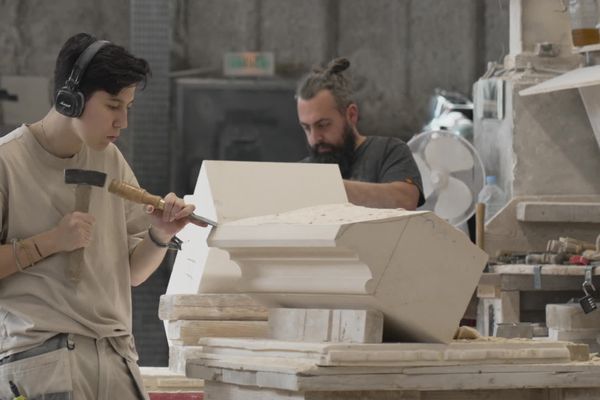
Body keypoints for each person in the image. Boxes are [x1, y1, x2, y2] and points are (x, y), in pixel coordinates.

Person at [0, 33, 202, 399]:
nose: (122, 121)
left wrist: (159, 234)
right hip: (42, 363)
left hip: (116, 361)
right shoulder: (6, 163)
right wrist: (49, 243)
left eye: (128, 106)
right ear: (70, 98)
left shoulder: (110, 160)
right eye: (113, 105)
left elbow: (133, 273)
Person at [296, 58, 425, 210]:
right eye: (306, 128)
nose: (314, 138)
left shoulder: (388, 151)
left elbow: (404, 200)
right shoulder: (302, 173)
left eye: (323, 125)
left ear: (351, 115)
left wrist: (326, 187)